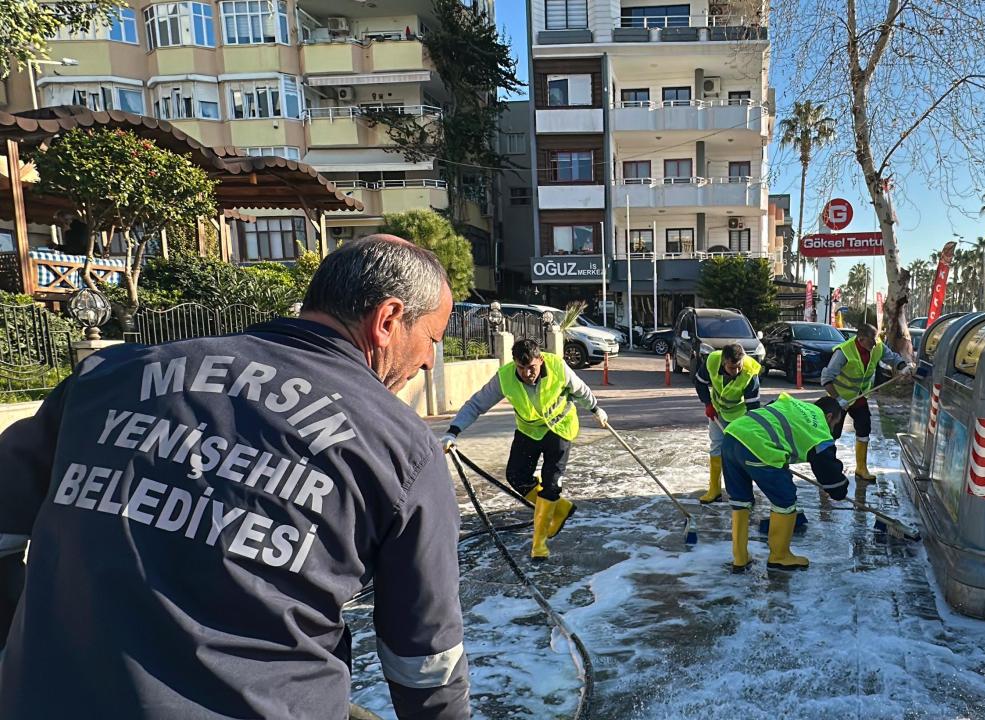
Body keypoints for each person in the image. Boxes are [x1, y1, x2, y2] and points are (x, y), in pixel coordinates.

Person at [0, 236, 470, 719]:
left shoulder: (108, 378)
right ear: (388, 320)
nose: (431, 360)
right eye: (432, 339)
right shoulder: (400, 447)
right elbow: (425, 657)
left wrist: (19, 636)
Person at [442, 340, 606, 561]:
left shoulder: (557, 366)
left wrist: (596, 409)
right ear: (515, 363)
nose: (527, 373)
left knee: (551, 482)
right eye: (521, 368)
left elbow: (580, 389)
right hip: (529, 430)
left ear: (541, 360)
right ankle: (560, 509)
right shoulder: (505, 376)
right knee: (515, 476)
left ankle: (539, 543)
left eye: (532, 368)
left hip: (560, 428)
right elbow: (476, 404)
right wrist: (453, 431)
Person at [721, 394, 850, 572]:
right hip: (759, 446)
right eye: (835, 423)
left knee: (740, 500)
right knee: (785, 498)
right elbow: (826, 467)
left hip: (732, 436)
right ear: (829, 417)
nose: (833, 428)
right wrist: (839, 490)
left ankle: (740, 558)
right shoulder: (820, 427)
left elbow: (773, 420)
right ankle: (780, 556)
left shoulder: (791, 402)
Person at [820, 323, 912, 483]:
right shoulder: (843, 353)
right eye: (871, 340)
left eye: (876, 340)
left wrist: (903, 366)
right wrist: (838, 399)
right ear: (860, 339)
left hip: (860, 397)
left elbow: (893, 358)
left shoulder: (877, 347)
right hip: (839, 400)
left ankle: (861, 468)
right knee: (832, 434)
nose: (875, 344)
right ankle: (828, 470)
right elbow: (826, 379)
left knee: (864, 429)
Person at [693, 343, 761, 504]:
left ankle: (745, 493)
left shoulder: (750, 371)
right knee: (716, 446)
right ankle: (714, 490)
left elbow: (753, 404)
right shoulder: (712, 360)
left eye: (739, 366)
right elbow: (700, 382)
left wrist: (751, 427)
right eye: (732, 368)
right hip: (717, 410)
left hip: (740, 414)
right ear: (724, 362)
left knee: (740, 451)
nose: (736, 371)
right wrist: (707, 403)